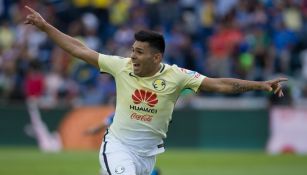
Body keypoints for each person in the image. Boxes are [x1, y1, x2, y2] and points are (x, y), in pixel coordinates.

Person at [24, 6, 287, 175]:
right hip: (117, 148)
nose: (133, 56)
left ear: (156, 57)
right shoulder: (120, 66)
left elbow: (219, 83)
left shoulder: (177, 76)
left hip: (148, 158)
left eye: (139, 52)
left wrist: (261, 85)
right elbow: (78, 49)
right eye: (132, 50)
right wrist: (45, 27)